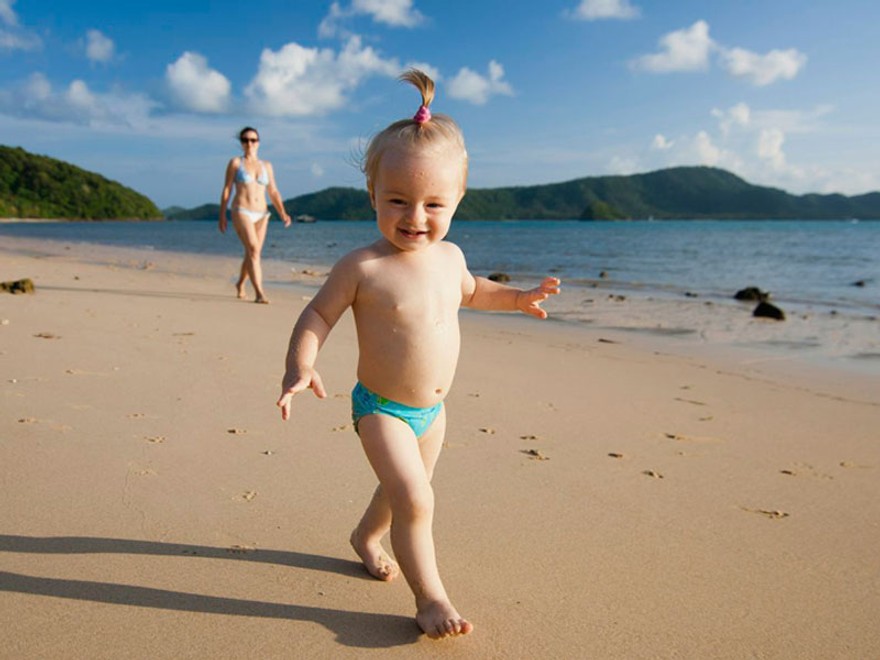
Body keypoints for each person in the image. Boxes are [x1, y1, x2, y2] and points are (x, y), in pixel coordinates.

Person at [276, 70, 560, 639]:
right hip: (380, 407)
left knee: (401, 493)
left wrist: (520, 299)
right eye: (398, 200)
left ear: (457, 200)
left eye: (434, 203)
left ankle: (364, 537)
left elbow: (477, 291)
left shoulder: (450, 257)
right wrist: (300, 365)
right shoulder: (363, 267)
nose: (415, 217)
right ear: (373, 197)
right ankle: (430, 598)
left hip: (434, 413)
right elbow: (318, 315)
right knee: (415, 498)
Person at [219, 127, 292, 304]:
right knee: (253, 249)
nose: (249, 143)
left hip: (262, 214)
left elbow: (273, 191)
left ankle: (240, 283)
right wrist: (222, 213)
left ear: (258, 142)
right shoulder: (236, 163)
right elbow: (227, 188)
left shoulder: (266, 166)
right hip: (241, 210)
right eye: (245, 140)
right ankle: (259, 293)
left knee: (253, 252)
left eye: (253, 140)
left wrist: (282, 212)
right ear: (241, 143)